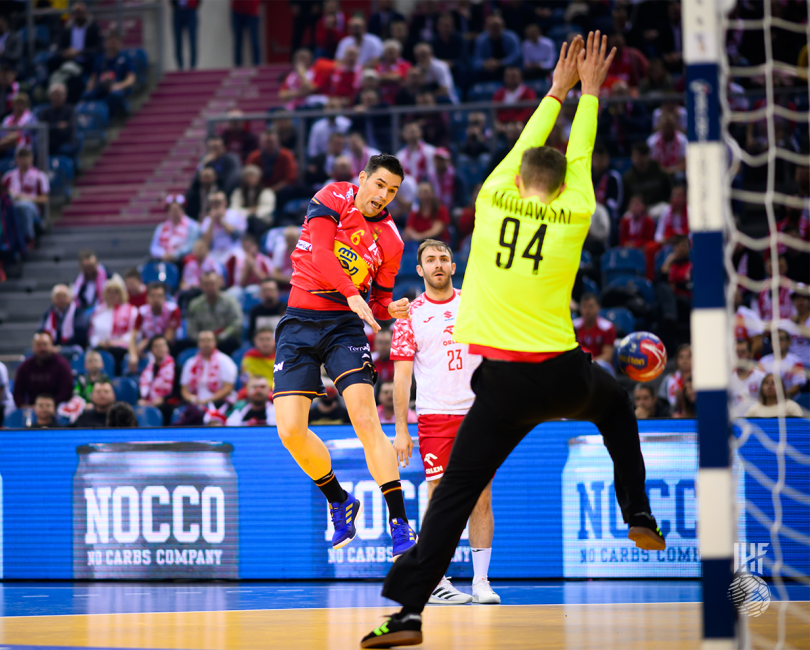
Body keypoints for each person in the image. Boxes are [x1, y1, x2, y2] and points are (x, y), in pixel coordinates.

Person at [364, 34, 665, 647]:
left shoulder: (492, 199)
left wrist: (555, 90)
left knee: (452, 496)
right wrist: (593, 95)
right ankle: (636, 509)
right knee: (615, 408)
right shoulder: (576, 209)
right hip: (561, 371)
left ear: (517, 178)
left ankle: (408, 614)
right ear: (559, 188)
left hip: (498, 384)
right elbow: (578, 156)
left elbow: (530, 146)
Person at [273, 152, 418, 562]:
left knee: (365, 417)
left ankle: (400, 523)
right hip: (300, 320)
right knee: (289, 431)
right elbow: (320, 254)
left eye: (392, 191)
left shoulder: (392, 240)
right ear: (362, 178)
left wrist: (392, 308)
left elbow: (382, 298)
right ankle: (340, 500)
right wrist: (355, 296)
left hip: (344, 327)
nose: (383, 195)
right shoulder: (333, 196)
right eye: (379, 185)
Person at [389, 238, 497, 605]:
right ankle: (436, 579)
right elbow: (401, 377)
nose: (438, 264)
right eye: (430, 260)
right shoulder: (409, 316)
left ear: (453, 266)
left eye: (444, 259)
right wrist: (402, 428)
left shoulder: (474, 303)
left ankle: (481, 583)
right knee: (440, 500)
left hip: (477, 414)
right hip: (435, 417)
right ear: (419, 270)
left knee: (482, 496)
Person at [88, 275, 138, 371]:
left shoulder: (131, 310)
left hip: (121, 349)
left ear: (121, 293)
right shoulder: (98, 312)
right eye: (109, 292)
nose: (112, 295)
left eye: (116, 292)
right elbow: (92, 335)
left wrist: (115, 343)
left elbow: (134, 333)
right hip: (101, 347)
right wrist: (100, 342)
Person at [186, 271, 243, 354]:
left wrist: (221, 336)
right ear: (201, 285)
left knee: (233, 342)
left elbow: (237, 323)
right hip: (203, 342)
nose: (209, 287)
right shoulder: (195, 305)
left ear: (219, 283)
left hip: (224, 340)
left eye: (212, 283)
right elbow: (191, 330)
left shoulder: (230, 301)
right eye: (206, 284)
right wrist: (204, 340)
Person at [13, 332, 75, 407]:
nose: (42, 348)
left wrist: (47, 406)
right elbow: (18, 392)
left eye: (45, 344)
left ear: (52, 345)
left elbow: (66, 392)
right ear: (33, 347)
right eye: (39, 345)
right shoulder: (25, 367)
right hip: (32, 408)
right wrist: (23, 406)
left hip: (57, 407)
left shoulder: (62, 365)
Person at [83, 31, 136, 119]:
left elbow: (131, 79)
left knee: (115, 95)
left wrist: (118, 86)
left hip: (116, 88)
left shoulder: (125, 59)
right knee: (86, 96)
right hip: (101, 88)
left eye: (114, 42)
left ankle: (111, 118)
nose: (112, 45)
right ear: (106, 43)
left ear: (120, 44)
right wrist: (89, 89)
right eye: (110, 42)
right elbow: (93, 78)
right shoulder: (100, 60)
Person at [3, 147, 49, 246]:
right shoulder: (9, 176)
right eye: (21, 157)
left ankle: (28, 238)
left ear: (31, 158)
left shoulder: (40, 176)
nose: (24, 160)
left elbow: (44, 199)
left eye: (26, 156)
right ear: (16, 159)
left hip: (32, 207)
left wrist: (24, 197)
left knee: (23, 207)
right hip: (12, 206)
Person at [181, 330, 238, 406]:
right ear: (198, 344)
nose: (206, 343)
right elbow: (184, 389)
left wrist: (208, 401)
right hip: (195, 401)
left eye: (209, 340)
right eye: (203, 340)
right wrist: (191, 399)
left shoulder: (225, 361)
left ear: (215, 342)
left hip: (218, 401)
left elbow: (228, 388)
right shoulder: (190, 363)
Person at [573, 293, 617, 374]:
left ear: (598, 307)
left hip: (599, 366)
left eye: (591, 306)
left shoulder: (607, 328)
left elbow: (607, 356)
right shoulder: (573, 327)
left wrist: (590, 362)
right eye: (584, 306)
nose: (587, 310)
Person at [39, 283, 89, 353]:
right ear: (53, 299)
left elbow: (81, 335)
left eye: (64, 296)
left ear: (70, 298)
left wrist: (60, 348)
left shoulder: (77, 313)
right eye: (58, 296)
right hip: (50, 348)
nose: (61, 299)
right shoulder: (48, 315)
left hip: (71, 347)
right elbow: (41, 333)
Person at [758, 329, 807, 399]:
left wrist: (777, 396)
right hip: (769, 401)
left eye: (781, 339)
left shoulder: (796, 361)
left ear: (789, 342)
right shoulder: (763, 361)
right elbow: (760, 385)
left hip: (790, 400)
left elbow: (797, 387)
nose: (777, 342)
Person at [134, 282, 181, 355]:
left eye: (159, 296)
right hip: (146, 348)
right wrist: (133, 354)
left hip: (167, 347)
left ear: (164, 297)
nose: (156, 299)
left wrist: (147, 342)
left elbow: (169, 338)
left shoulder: (172, 310)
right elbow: (133, 335)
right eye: (153, 296)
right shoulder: (142, 311)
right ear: (147, 298)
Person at [151, 195, 200, 262]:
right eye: (172, 209)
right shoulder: (161, 227)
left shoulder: (193, 226)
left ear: (182, 210)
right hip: (163, 258)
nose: (175, 212)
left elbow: (190, 246)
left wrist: (175, 254)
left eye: (177, 209)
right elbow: (154, 247)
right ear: (168, 212)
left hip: (181, 259)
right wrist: (163, 254)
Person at [138, 335, 176, 420]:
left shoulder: (175, 368)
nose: (160, 348)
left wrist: (163, 399)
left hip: (167, 404)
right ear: (151, 350)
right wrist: (142, 400)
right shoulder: (147, 369)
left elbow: (177, 392)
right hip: (148, 402)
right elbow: (142, 389)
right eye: (156, 346)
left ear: (167, 348)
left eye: (163, 345)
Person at [230, 166, 276, 236]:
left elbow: (267, 208)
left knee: (253, 221)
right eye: (248, 176)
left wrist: (254, 213)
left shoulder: (266, 192)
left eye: (253, 176)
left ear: (258, 178)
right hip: (242, 220)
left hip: (261, 221)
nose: (250, 179)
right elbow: (234, 208)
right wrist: (249, 211)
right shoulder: (238, 192)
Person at [730, 338, 766, 417]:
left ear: (751, 354)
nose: (739, 355)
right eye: (736, 352)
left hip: (757, 421)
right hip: (734, 422)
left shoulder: (761, 377)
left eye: (743, 352)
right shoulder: (728, 380)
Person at [39, 84, 77, 156]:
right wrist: (57, 126)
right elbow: (42, 128)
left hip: (65, 142)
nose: (57, 97)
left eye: (59, 95)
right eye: (55, 95)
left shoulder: (70, 110)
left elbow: (70, 128)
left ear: (65, 96)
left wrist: (51, 127)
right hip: (49, 142)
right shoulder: (44, 112)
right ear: (50, 96)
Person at [171, 0, 200, 71]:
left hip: (191, 10)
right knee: (178, 41)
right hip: (178, 9)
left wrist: (195, 5)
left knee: (193, 40)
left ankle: (193, 66)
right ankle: (180, 66)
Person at [232, 0, 262, 66]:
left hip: (252, 10)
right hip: (237, 10)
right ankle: (237, 66)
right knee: (238, 41)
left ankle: (257, 66)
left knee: (254, 41)